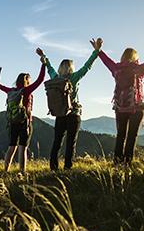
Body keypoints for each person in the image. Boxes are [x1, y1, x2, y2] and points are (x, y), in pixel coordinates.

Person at [38, 39, 102, 170]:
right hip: (73, 114)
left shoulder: (55, 78)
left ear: (60, 68)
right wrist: (96, 51)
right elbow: (87, 66)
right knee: (70, 143)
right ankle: (68, 167)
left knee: (57, 142)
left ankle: (53, 168)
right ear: (71, 68)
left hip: (60, 113)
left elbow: (49, 67)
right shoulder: (74, 77)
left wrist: (43, 56)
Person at [0, 52, 46, 174]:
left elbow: (2, 87)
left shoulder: (11, 91)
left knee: (12, 147)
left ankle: (5, 171)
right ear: (26, 81)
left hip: (12, 122)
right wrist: (43, 65)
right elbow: (41, 80)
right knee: (23, 148)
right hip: (25, 122)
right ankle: (22, 172)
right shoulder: (27, 90)